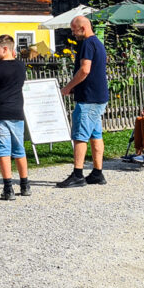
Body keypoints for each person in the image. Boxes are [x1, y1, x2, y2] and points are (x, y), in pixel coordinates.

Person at [58, 15, 109, 188]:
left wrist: (68, 87)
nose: (73, 34)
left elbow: (85, 70)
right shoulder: (98, 43)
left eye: (74, 30)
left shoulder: (87, 43)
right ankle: (97, 172)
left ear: (83, 28)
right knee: (96, 134)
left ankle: (78, 174)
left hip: (89, 98)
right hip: (99, 95)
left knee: (80, 135)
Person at [0, 35, 30, 200]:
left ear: (5, 49)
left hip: (0, 113)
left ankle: (8, 188)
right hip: (17, 112)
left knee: (3, 150)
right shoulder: (21, 66)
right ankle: (25, 184)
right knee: (19, 149)